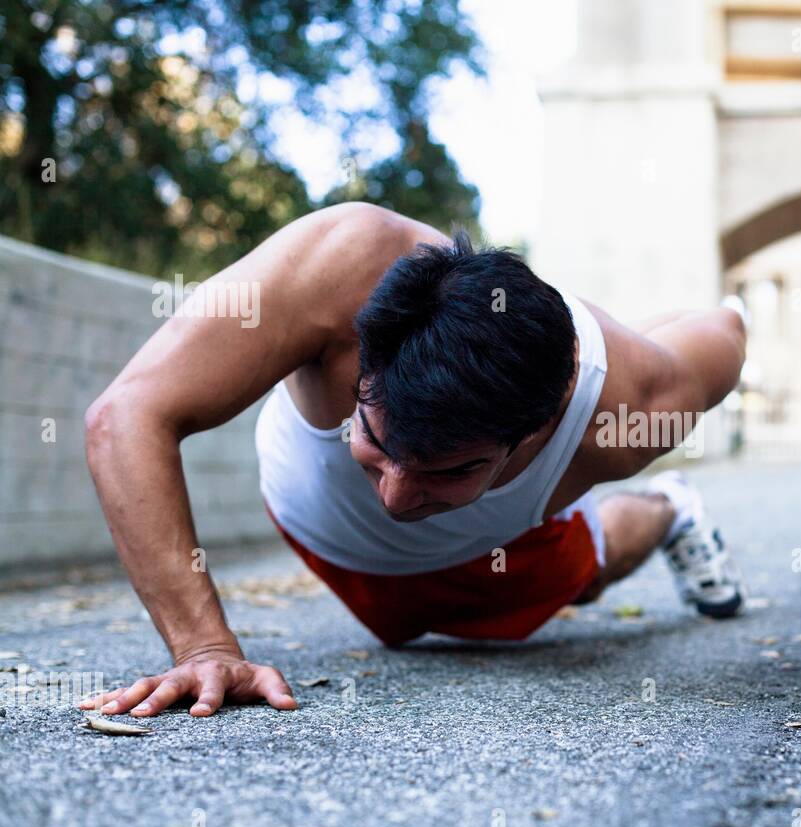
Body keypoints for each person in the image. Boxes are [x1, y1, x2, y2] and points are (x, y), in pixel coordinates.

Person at [79, 202, 748, 718]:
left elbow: (725, 335)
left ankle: (671, 510)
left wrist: (735, 308)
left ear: (537, 431)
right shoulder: (334, 268)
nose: (396, 500)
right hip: (305, 519)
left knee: (589, 574)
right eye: (376, 443)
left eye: (449, 469)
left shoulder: (634, 413)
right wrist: (203, 648)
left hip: (486, 556)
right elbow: (125, 416)